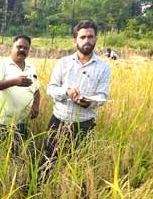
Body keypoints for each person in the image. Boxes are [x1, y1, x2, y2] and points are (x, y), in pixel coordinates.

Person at [38, 20, 111, 182]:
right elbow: (51, 89)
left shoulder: (104, 67)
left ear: (95, 39)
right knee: (47, 162)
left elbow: (102, 95)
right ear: (75, 40)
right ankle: (40, 193)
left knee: (79, 165)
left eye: (90, 37)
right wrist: (67, 92)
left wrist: (89, 102)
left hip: (84, 125)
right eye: (83, 37)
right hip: (58, 122)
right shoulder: (63, 63)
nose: (87, 40)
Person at [0, 35, 40, 148]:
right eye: (19, 47)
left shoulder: (31, 67)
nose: (22, 50)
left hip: (22, 123)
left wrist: (36, 106)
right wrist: (15, 81)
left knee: (17, 156)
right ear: (12, 48)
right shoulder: (2, 64)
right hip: (1, 123)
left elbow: (36, 90)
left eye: (25, 48)